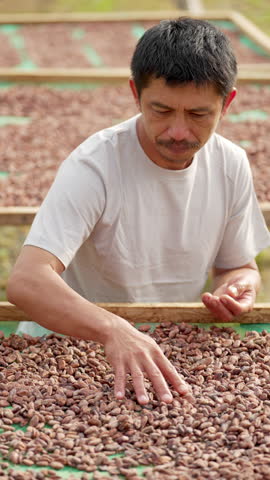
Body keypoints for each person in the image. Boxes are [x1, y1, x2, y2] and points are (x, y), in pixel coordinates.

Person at [7, 17, 270, 406]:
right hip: (70, 345)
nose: (178, 132)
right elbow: (27, 282)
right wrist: (113, 328)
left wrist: (237, 289)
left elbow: (239, 266)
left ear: (227, 103)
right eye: (161, 110)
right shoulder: (96, 165)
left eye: (198, 115)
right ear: (135, 93)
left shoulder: (230, 163)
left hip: (168, 346)